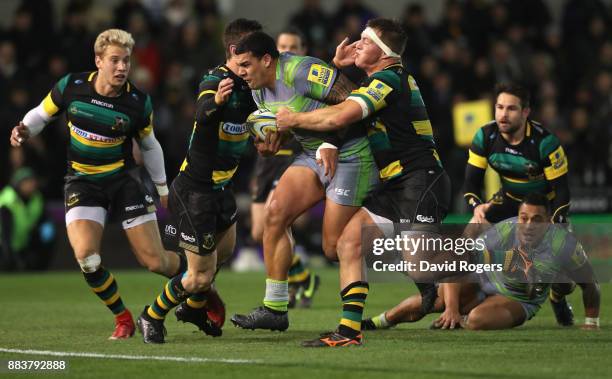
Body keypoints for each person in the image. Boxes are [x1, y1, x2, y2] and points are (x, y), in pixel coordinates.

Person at [276, 18, 451, 347]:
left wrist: (292, 119)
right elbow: (340, 103)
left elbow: (343, 115)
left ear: (384, 53)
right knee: (347, 243)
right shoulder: (378, 80)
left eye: (365, 41)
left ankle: (474, 276)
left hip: (421, 178)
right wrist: (335, 68)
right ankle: (348, 332)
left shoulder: (390, 78)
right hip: (395, 184)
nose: (356, 44)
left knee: (419, 261)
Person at [9, 29, 184, 340]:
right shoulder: (72, 87)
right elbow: (41, 114)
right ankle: (123, 318)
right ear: (98, 61)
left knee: (156, 262)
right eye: (114, 60)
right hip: (83, 183)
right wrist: (24, 129)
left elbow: (150, 145)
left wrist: (162, 187)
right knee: (87, 259)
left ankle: (200, 279)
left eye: (126, 61)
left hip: (124, 181)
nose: (121, 67)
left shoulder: (137, 102)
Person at [230, 31, 379, 332]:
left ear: (267, 60)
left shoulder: (301, 71)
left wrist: (332, 142)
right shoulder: (258, 88)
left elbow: (356, 106)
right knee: (275, 214)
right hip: (313, 155)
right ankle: (275, 308)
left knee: (332, 247)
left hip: (352, 153)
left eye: (246, 64)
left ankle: (420, 270)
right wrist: (273, 142)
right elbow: (291, 123)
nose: (240, 72)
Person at [136, 19, 263, 344]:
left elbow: (253, 127)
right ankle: (152, 315)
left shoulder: (253, 86)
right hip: (196, 192)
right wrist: (216, 104)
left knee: (224, 253)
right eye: (252, 51)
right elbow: (203, 110)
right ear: (235, 51)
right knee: (198, 275)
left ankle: (193, 308)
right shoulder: (216, 79)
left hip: (221, 188)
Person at [362, 193, 601, 331]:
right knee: (436, 301)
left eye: (536, 219)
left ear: (549, 221)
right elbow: (460, 260)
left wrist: (592, 321)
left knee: (477, 320)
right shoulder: (505, 231)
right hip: (486, 282)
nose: (528, 225)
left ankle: (558, 294)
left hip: (520, 299)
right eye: (523, 218)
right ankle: (378, 322)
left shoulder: (564, 244)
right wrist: (451, 308)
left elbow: (590, 283)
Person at [462, 83, 576, 325]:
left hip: (540, 210)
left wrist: (557, 222)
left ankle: (557, 297)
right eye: (500, 107)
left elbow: (562, 189)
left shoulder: (544, 142)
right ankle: (471, 296)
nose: (503, 114)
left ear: (525, 112)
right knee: (469, 236)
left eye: (511, 109)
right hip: (508, 202)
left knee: (565, 278)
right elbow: (470, 184)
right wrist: (477, 206)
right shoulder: (485, 136)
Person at [249, 27, 319, 308]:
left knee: (278, 219)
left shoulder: (305, 83)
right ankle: (302, 276)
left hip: (296, 156)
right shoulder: (263, 86)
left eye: (294, 46)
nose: (287, 50)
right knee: (257, 231)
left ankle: (280, 291)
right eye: (283, 46)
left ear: (303, 51)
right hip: (268, 160)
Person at [0, 167, 55, 271]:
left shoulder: (37, 198)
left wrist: (46, 226)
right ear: (19, 183)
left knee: (48, 234)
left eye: (33, 181)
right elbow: (5, 235)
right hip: (3, 245)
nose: (32, 184)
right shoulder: (7, 201)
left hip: (22, 243)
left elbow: (43, 218)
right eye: (28, 181)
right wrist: (8, 257)